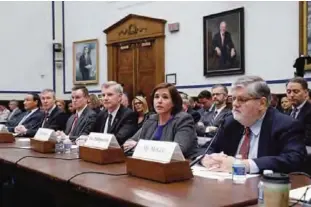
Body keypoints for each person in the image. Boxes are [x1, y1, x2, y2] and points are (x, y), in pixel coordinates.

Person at [201, 76, 306, 174]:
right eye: (233, 99)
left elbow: (294, 159)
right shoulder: (230, 123)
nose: (235, 104)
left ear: (262, 103)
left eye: (242, 99)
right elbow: (206, 148)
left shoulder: (285, 125)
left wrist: (244, 165)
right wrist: (207, 159)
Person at [123, 83, 198, 158]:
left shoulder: (183, 119)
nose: (159, 101)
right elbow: (129, 142)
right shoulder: (151, 120)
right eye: (156, 97)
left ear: (174, 102)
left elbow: (178, 150)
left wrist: (139, 146)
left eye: (165, 97)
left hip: (174, 166)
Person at [286, 77, 311, 145]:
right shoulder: (288, 111)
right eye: (288, 92)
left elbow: (308, 139)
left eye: (296, 91)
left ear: (306, 93)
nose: (291, 95)